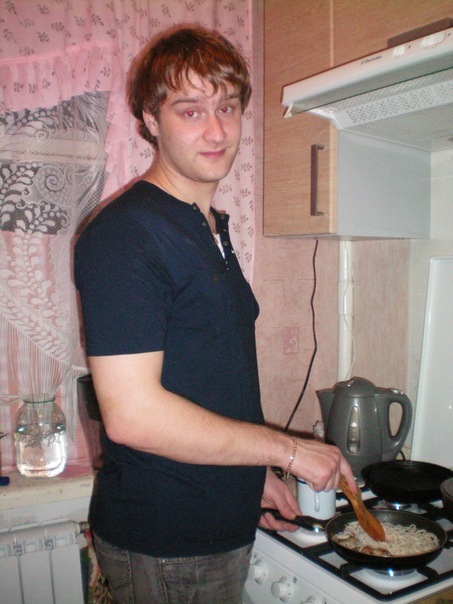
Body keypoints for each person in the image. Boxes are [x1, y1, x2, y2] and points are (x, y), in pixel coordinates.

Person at [74, 25, 355, 604]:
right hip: (168, 541)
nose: (217, 130)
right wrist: (289, 450)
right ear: (150, 120)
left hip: (214, 525)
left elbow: (209, 380)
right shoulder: (127, 235)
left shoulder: (207, 227)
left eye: (227, 107)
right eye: (191, 111)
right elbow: (132, 416)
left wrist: (252, 476)